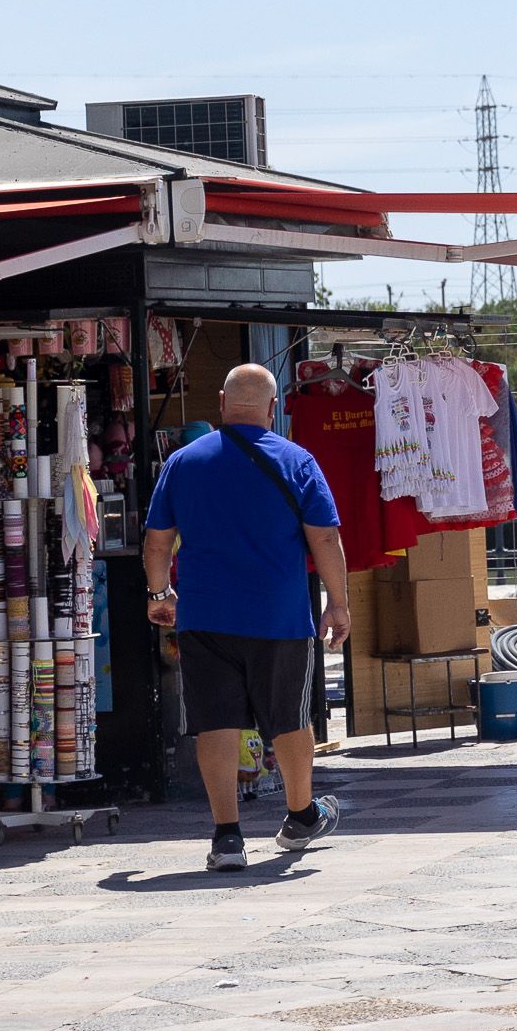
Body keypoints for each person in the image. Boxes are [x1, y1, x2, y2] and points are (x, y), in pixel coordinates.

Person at [145, 363, 353, 872]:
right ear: (274, 407)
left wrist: (159, 593)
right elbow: (324, 537)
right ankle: (302, 816)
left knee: (215, 723)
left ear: (221, 401)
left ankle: (227, 838)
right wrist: (337, 602)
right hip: (279, 617)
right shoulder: (297, 461)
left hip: (204, 616)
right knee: (288, 719)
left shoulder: (183, 462)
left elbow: (157, 541)